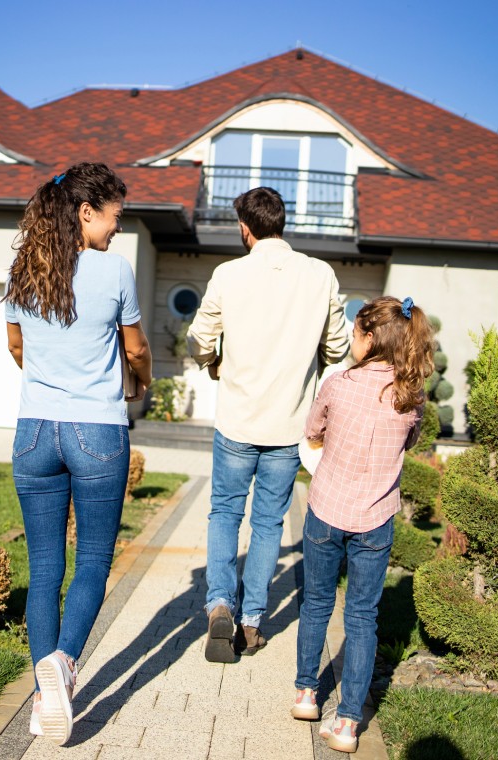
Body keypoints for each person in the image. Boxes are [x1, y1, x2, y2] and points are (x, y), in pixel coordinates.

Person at [3, 162, 153, 746]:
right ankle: (64, 664)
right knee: (92, 560)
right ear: (87, 211)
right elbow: (135, 347)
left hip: (34, 432)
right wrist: (142, 380)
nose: (118, 228)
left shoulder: (24, 268)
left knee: (45, 569)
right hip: (97, 433)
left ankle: (44, 701)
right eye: (115, 216)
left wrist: (47, 377)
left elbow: (15, 346)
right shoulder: (114, 271)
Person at [186, 186, 350, 663]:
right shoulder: (320, 275)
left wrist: (213, 361)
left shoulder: (229, 273)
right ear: (281, 223)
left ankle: (220, 604)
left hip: (237, 421)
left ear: (245, 227)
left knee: (224, 514)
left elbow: (200, 338)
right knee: (268, 522)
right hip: (289, 424)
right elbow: (337, 348)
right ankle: (253, 622)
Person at [291, 296, 434, 754]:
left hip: (326, 508)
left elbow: (313, 430)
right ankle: (350, 722)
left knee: (315, 602)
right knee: (362, 616)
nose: (351, 341)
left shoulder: (337, 383)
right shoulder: (412, 397)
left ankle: (307, 693)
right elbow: (409, 441)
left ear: (370, 339)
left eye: (354, 333)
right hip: (376, 519)